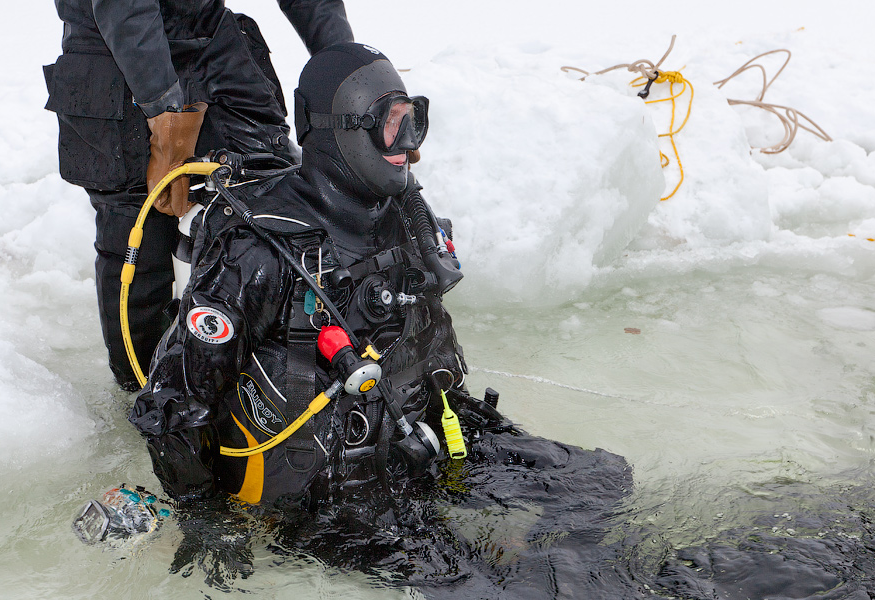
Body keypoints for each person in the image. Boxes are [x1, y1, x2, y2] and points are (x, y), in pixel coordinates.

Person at [122, 43, 635, 596]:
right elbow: (173, 404)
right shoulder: (259, 249)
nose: (408, 148)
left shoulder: (401, 218)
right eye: (390, 127)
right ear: (338, 131)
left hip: (425, 439)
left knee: (600, 482)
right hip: (331, 501)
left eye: (413, 122)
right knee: (511, 587)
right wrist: (206, 518)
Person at [43, 0, 354, 391]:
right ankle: (147, 395)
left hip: (211, 44)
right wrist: (164, 112)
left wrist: (349, 72)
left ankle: (282, 368)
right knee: (138, 230)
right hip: (114, 49)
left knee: (278, 199)